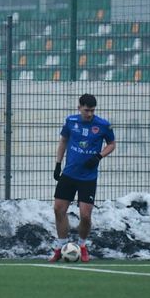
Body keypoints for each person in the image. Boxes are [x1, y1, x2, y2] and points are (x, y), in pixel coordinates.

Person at [49, 93, 116, 263]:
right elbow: (63, 141)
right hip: (69, 174)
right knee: (58, 209)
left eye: (92, 110)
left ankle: (82, 245)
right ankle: (61, 246)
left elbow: (112, 144)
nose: (89, 114)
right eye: (86, 110)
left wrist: (98, 156)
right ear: (79, 108)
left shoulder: (103, 125)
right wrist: (58, 164)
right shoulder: (71, 121)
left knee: (85, 216)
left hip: (88, 177)